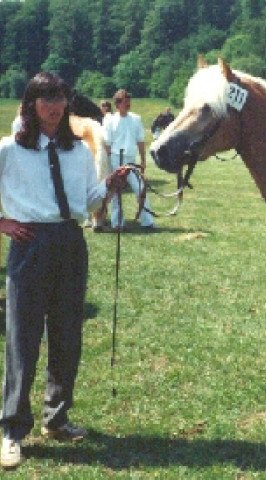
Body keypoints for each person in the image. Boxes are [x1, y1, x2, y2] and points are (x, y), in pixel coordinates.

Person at [0, 72, 130, 470]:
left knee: (67, 336)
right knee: (23, 339)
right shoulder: (9, 149)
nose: (54, 107)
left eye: (59, 99)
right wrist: (2, 223)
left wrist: (109, 185)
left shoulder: (77, 152)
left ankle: (56, 418)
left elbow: (88, 201)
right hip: (29, 245)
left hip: (70, 245)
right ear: (32, 104)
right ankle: (11, 431)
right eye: (46, 100)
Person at [103, 89, 155, 230]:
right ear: (118, 104)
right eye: (125, 103)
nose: (128, 105)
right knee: (116, 192)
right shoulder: (109, 121)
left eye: (129, 102)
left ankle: (148, 221)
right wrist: (109, 166)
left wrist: (143, 160)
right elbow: (107, 144)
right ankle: (118, 223)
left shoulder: (136, 119)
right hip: (115, 159)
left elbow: (140, 141)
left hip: (131, 160)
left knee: (140, 189)